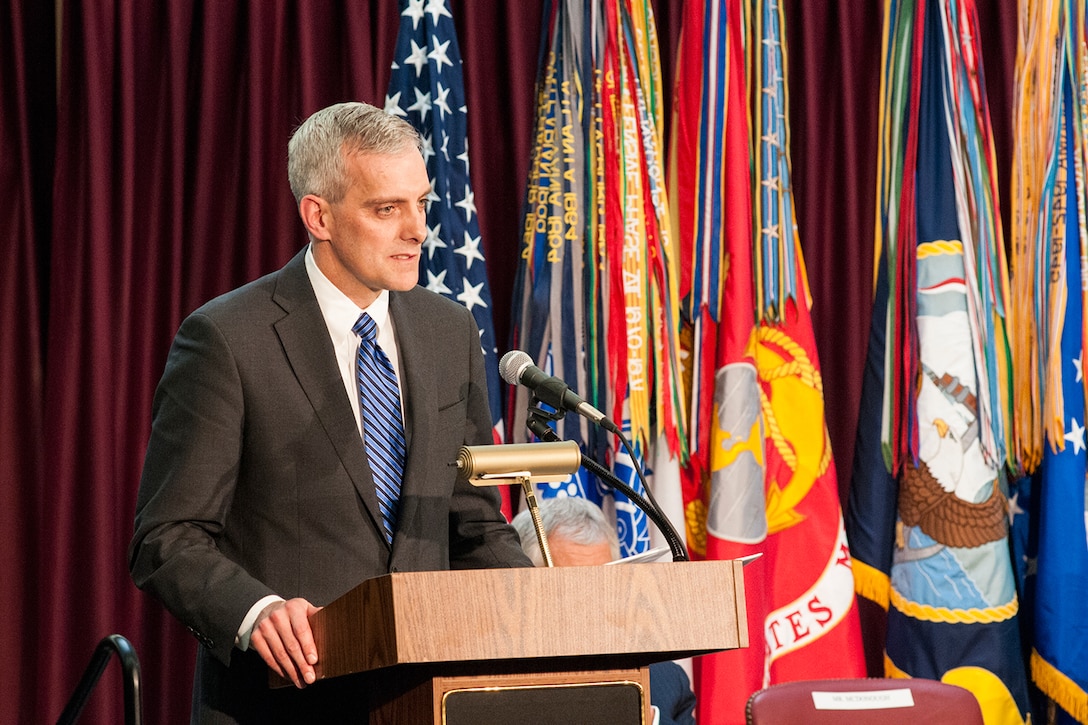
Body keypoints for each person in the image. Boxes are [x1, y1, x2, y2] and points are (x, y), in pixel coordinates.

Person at [129, 101, 531, 723]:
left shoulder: (447, 331)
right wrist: (255, 611)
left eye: (421, 203)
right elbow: (167, 537)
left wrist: (546, 607)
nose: (418, 230)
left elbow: (471, 519)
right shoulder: (228, 339)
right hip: (285, 700)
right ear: (319, 215)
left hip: (425, 699)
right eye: (386, 208)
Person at [511, 497, 697, 725]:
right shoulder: (494, 682)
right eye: (573, 586)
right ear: (525, 589)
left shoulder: (665, 681)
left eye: (602, 583)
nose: (590, 602)